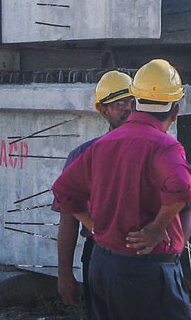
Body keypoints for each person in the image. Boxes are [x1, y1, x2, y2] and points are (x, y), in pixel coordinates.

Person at [53, 58, 191, 320]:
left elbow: (64, 192)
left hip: (103, 265)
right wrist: (158, 227)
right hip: (147, 270)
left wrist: (96, 226)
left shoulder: (101, 147)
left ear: (135, 101)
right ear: (175, 109)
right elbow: (181, 190)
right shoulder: (164, 147)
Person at [56, 70, 135, 307]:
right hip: (101, 251)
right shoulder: (83, 156)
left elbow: (183, 205)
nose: (127, 109)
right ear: (103, 110)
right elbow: (68, 215)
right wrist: (64, 274)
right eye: (118, 103)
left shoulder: (159, 150)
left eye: (133, 102)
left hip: (146, 251)